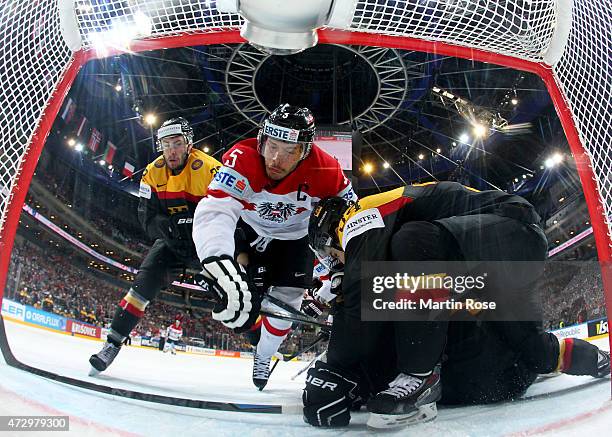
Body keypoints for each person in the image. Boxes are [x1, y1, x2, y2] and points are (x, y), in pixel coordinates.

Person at [303, 182, 610, 429]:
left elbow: (364, 293)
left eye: (331, 253)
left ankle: (419, 375)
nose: (336, 261)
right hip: (496, 255)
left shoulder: (358, 215)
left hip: (507, 234)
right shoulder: (387, 225)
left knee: (415, 240)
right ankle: (597, 359)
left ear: (332, 230)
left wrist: (337, 369)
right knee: (533, 350)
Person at [193, 103, 356, 390]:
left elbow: (352, 214)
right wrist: (217, 259)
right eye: (271, 146)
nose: (276, 160)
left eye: (290, 150)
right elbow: (216, 210)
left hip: (296, 240)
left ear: (305, 151)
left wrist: (345, 263)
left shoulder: (327, 169)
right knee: (234, 300)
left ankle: (264, 355)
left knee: (288, 304)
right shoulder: (243, 157)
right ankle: (258, 331)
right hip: (249, 233)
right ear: (261, 139)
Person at [89, 117, 221, 375]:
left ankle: (260, 348)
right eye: (165, 144)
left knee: (233, 296)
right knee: (139, 291)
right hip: (171, 244)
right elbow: (146, 219)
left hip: (206, 243)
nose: (171, 150)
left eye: (177, 143)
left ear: (189, 144)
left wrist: (195, 224)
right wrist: (170, 226)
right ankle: (112, 344)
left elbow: (226, 211)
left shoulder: (210, 169)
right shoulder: (151, 173)